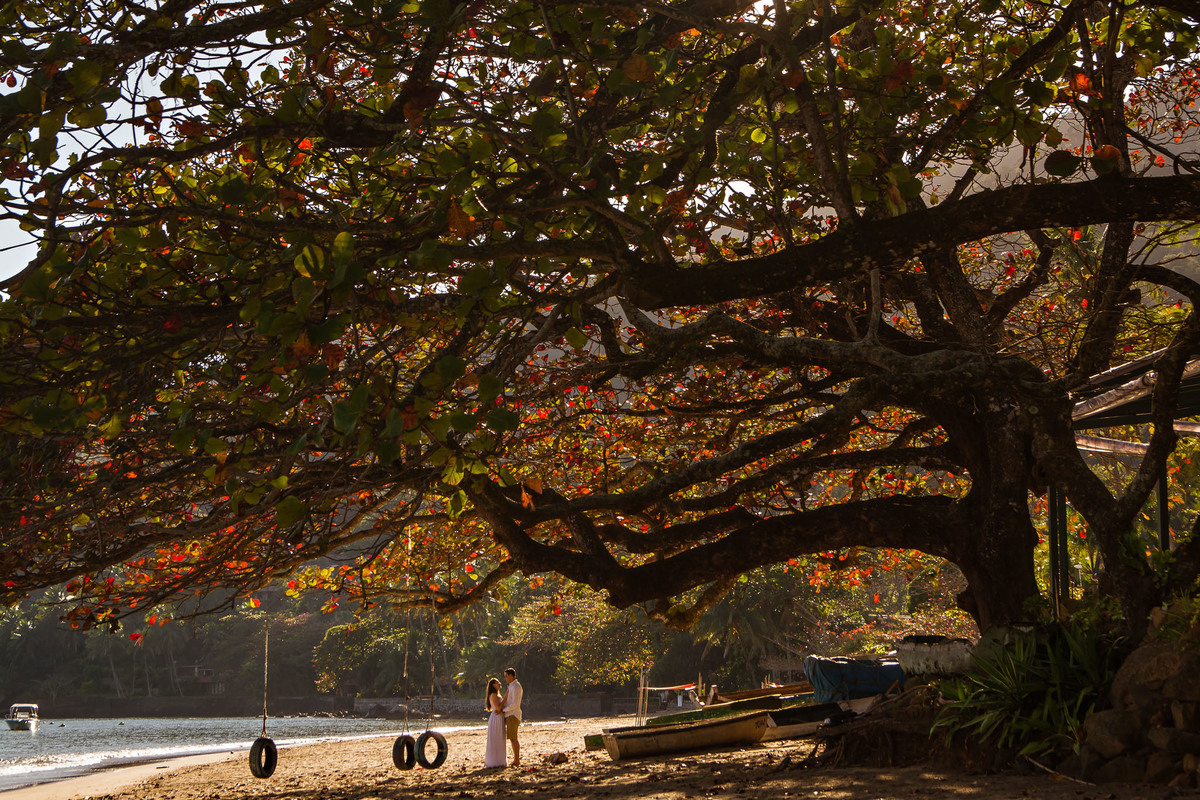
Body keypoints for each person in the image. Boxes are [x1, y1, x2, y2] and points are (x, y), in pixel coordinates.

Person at [501, 667, 523, 767]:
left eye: (506, 676)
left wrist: (503, 710)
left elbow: (515, 704)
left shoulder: (516, 687)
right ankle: (516, 759)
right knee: (512, 738)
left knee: (513, 738)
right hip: (510, 714)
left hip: (513, 714)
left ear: (511, 676)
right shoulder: (511, 686)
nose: (505, 678)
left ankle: (517, 760)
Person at [483, 677, 506, 768]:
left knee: (500, 739)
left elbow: (500, 708)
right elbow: (498, 708)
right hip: (496, 718)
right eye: (497, 682)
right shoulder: (493, 694)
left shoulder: (496, 694)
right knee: (496, 738)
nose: (499, 683)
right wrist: (506, 697)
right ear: (493, 685)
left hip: (499, 717)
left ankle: (499, 760)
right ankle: (495, 761)